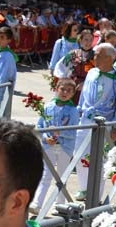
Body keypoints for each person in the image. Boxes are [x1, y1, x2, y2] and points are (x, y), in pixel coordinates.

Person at [76, 43, 116, 198]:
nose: (95, 58)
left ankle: (95, 194)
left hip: (104, 123)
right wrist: (78, 113)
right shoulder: (92, 72)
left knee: (99, 158)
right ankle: (84, 187)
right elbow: (83, 97)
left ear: (109, 58)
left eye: (98, 55)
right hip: (85, 120)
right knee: (80, 155)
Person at [33, 78, 80, 214]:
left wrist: (60, 133)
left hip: (65, 148)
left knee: (61, 176)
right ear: (56, 89)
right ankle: (37, 203)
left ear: (72, 94)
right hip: (49, 146)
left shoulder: (73, 111)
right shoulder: (48, 107)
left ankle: (60, 205)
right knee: (46, 174)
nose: (65, 93)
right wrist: (46, 137)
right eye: (62, 89)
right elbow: (40, 126)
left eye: (69, 91)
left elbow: (73, 131)